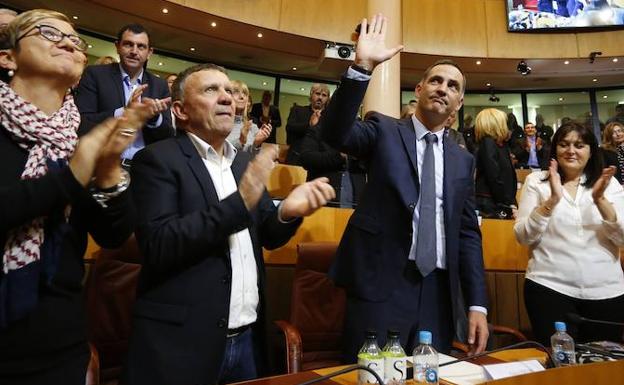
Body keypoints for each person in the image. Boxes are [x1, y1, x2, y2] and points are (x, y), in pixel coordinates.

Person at [123, 63, 335, 385]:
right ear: (180, 110)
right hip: (182, 348)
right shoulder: (157, 160)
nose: (227, 98)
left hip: (248, 342)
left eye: (228, 91)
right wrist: (241, 200)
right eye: (211, 90)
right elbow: (160, 244)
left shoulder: (242, 163)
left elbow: (267, 234)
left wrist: (288, 212)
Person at [320, 14, 488, 361]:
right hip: (382, 285)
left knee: (429, 377)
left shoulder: (462, 160)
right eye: (436, 81)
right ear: (419, 90)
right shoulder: (383, 130)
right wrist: (361, 68)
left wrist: (477, 304)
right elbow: (334, 133)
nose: (444, 88)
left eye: (453, 86)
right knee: (372, 377)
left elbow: (468, 234)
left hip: (438, 292)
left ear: (458, 105)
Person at [0, 9, 151, 384]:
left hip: (58, 344)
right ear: (7, 57)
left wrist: (109, 168)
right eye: (49, 33)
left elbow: (113, 235)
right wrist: (73, 175)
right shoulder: (81, 150)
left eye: (76, 41)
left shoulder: (84, 132)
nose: (69, 42)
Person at [514, 122, 624, 346]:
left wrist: (600, 199)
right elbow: (523, 236)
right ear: (555, 149)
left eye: (579, 145)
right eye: (564, 144)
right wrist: (551, 201)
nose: (571, 151)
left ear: (591, 150)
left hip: (607, 293)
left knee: (600, 371)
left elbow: (622, 239)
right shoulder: (537, 181)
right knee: (559, 368)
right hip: (549, 289)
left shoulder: (609, 184)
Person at [75, 23, 173, 168]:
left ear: (149, 52)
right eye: (128, 44)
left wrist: (153, 118)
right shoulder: (95, 75)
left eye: (141, 46)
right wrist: (123, 112)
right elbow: (81, 122)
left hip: (144, 168)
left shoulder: (159, 85)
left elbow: (167, 135)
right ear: (117, 46)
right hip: (101, 164)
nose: (134, 51)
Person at [474, 108, 517, 219]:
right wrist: (507, 202)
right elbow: (494, 176)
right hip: (490, 203)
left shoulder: (500, 144)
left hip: (498, 201)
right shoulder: (488, 143)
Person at [284, 83, 330, 165]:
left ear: (327, 98)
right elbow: (289, 127)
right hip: (296, 159)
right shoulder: (297, 110)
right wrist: (309, 125)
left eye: (324, 95)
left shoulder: (329, 117)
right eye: (317, 94)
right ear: (311, 95)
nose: (320, 97)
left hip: (319, 162)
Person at [227, 79, 271, 154]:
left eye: (244, 93)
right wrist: (240, 141)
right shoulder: (219, 124)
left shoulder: (252, 127)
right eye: (236, 92)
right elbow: (218, 152)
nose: (241, 97)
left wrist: (256, 143)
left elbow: (251, 157)